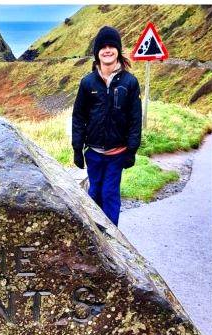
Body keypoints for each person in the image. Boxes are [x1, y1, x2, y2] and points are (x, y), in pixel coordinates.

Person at [71, 25, 141, 226]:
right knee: (94, 193)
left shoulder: (130, 82)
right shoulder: (88, 83)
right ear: (97, 52)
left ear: (118, 50)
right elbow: (78, 117)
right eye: (103, 47)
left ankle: (111, 238)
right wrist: (77, 148)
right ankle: (95, 235)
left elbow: (135, 119)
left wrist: (131, 150)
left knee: (109, 193)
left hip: (117, 153)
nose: (107, 50)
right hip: (93, 153)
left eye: (112, 46)